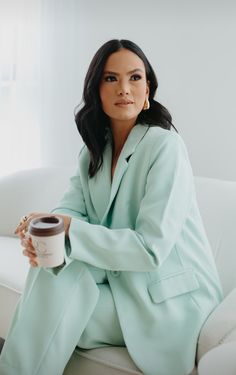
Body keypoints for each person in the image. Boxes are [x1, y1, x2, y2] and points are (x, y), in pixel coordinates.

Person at [0, 39, 222, 375]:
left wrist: (67, 229)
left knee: (50, 306)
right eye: (110, 79)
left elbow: (150, 250)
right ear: (96, 91)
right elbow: (69, 212)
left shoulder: (166, 149)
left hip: (169, 302)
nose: (124, 89)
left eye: (135, 78)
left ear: (148, 91)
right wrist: (43, 237)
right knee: (52, 274)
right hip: (119, 288)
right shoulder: (92, 153)